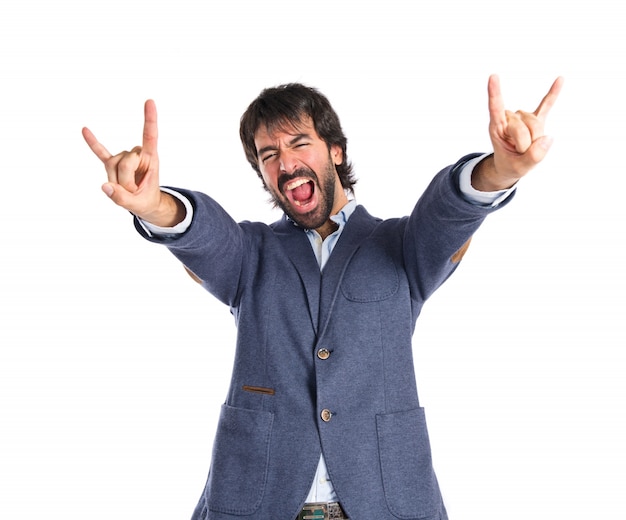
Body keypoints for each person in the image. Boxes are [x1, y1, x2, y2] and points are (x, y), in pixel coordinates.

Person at [83, 75, 563, 520]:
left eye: (298, 143)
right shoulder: (252, 254)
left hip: (384, 503)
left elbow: (447, 215)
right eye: (268, 154)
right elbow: (204, 234)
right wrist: (154, 206)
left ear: (334, 151)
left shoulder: (402, 247)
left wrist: (497, 173)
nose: (285, 162)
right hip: (259, 503)